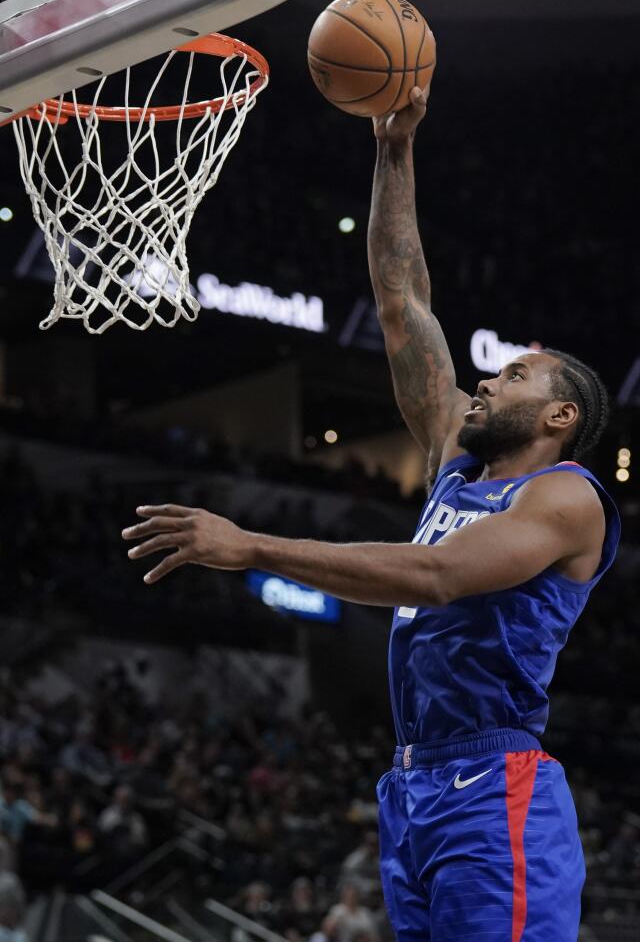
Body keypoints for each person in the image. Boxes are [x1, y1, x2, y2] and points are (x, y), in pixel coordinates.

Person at [122, 87, 620, 942]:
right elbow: (403, 305)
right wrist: (395, 149)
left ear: (559, 417)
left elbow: (436, 576)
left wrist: (252, 548)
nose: (489, 379)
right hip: (413, 786)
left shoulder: (568, 497)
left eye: (514, 378)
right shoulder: (458, 464)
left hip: (495, 786)